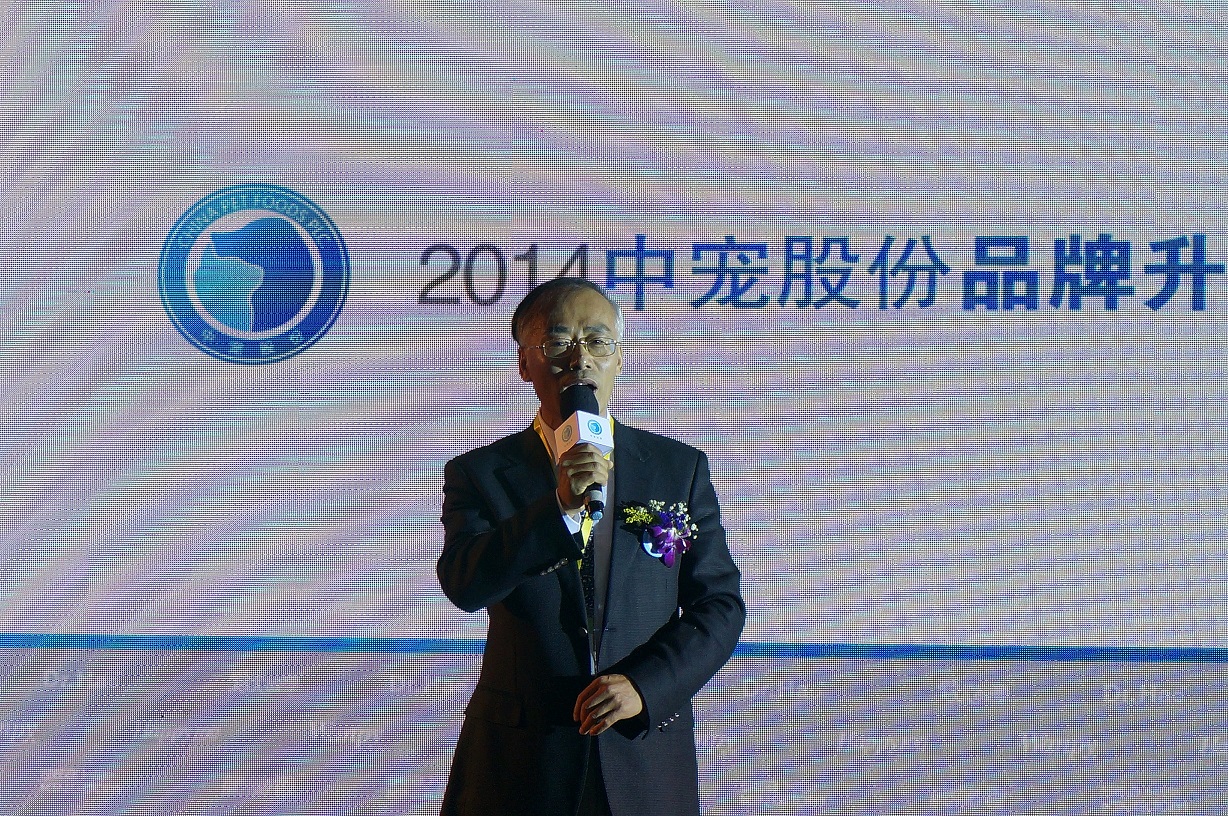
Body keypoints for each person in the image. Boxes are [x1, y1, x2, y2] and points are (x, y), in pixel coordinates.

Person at [438, 277, 745, 816]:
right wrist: (557, 508)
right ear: (524, 364)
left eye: (598, 341)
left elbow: (718, 605)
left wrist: (644, 686)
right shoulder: (481, 473)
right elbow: (466, 583)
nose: (580, 359)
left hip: (643, 759)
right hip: (519, 767)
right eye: (559, 342)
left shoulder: (677, 469)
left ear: (619, 360)